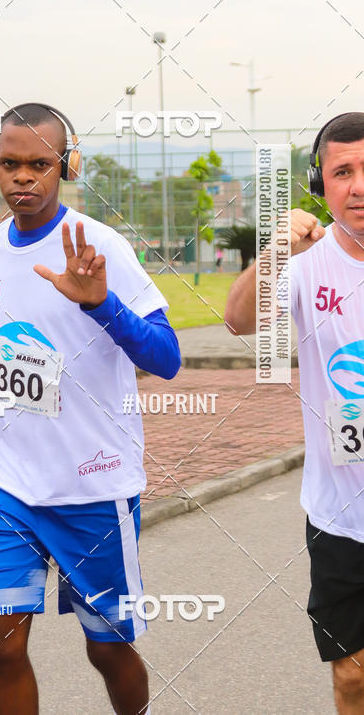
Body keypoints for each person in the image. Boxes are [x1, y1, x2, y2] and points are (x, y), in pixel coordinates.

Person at [0, 103, 181, 715]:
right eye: (10, 163)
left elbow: (167, 357)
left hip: (93, 487)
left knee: (106, 649)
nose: (23, 176)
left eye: (40, 164)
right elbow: (10, 335)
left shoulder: (100, 245)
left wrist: (101, 305)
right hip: (10, 483)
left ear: (67, 165)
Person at [225, 111, 364, 714]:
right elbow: (237, 319)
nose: (358, 186)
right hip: (340, 517)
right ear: (319, 184)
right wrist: (275, 251)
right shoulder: (306, 265)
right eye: (343, 172)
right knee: (352, 676)